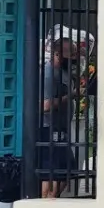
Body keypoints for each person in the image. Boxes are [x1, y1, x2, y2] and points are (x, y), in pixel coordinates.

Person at [38, 39, 77, 198]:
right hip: (49, 128)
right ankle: (47, 204)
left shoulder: (64, 72)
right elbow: (44, 106)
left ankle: (52, 201)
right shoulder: (48, 75)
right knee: (52, 172)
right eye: (71, 54)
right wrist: (70, 96)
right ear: (57, 54)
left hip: (61, 128)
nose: (74, 58)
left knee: (67, 169)